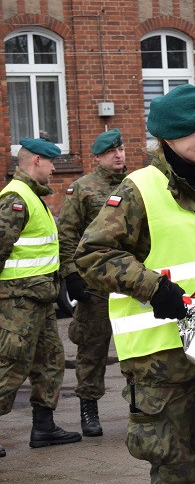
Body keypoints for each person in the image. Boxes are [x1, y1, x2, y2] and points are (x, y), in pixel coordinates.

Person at [74, 85, 195, 484]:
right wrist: (155, 288)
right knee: (176, 477)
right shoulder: (141, 189)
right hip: (162, 362)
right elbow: (93, 254)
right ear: (168, 137)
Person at [0, 138, 82, 458]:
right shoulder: (15, 200)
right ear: (36, 161)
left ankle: (44, 427)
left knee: (50, 361)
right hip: (17, 300)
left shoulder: (35, 197)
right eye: (50, 163)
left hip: (41, 297)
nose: (54, 169)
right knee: (9, 365)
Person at [57, 128, 128, 437]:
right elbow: (67, 235)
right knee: (92, 348)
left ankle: (140, 404)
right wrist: (70, 274)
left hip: (129, 279)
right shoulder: (82, 189)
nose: (119, 155)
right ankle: (89, 408)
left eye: (121, 149)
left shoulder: (134, 186)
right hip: (94, 283)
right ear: (97, 157)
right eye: (111, 151)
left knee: (136, 348)